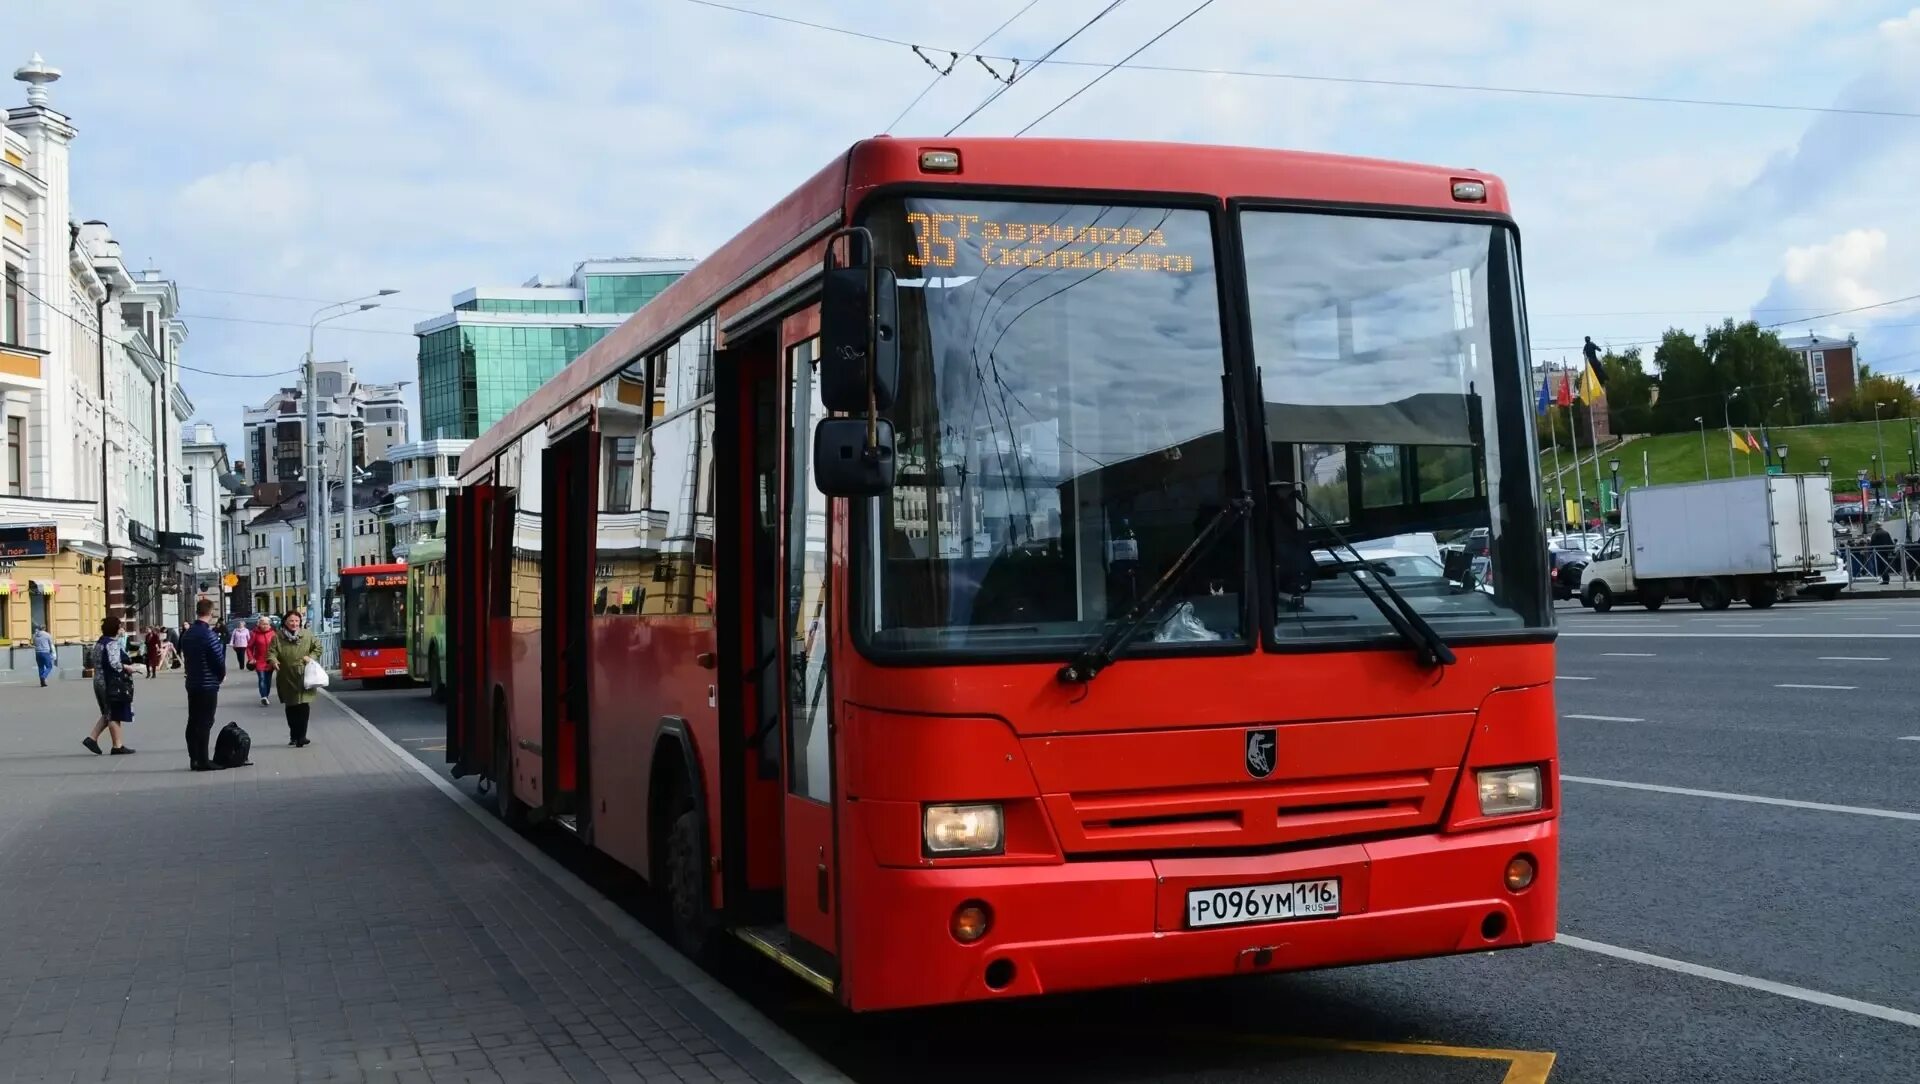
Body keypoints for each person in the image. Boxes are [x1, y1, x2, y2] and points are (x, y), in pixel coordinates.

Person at [181, 598, 228, 771]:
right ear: (211, 612)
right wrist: (221, 675)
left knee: (193, 721)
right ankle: (203, 760)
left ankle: (193, 758)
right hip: (207, 684)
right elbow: (217, 659)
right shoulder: (209, 634)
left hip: (192, 681)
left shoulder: (188, 633)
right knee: (205, 722)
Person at [267, 609, 323, 747]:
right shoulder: (278, 637)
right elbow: (271, 653)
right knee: (291, 706)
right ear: (285, 622)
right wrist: (274, 661)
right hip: (286, 676)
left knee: (304, 705)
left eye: (297, 621)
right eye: (291, 621)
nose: (294, 623)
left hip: (305, 675)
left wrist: (311, 657)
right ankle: (294, 735)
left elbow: (318, 648)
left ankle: (302, 736)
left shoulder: (307, 635)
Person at [83, 615, 137, 756]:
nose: (121, 629)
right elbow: (114, 664)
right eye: (120, 626)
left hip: (99, 681)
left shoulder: (100, 643)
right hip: (110, 682)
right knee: (114, 712)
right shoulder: (112, 643)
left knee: (107, 712)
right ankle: (117, 746)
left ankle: (92, 739)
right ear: (115, 628)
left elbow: (93, 661)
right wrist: (127, 667)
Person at [247, 615, 274, 705]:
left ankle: (266, 696)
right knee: (262, 678)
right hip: (259, 660)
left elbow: (278, 648)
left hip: (270, 661)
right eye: (263, 624)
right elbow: (249, 647)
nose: (265, 626)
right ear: (259, 625)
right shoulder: (255, 634)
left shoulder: (273, 634)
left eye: (266, 624)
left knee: (268, 680)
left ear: (269, 625)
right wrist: (251, 658)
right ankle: (263, 696)